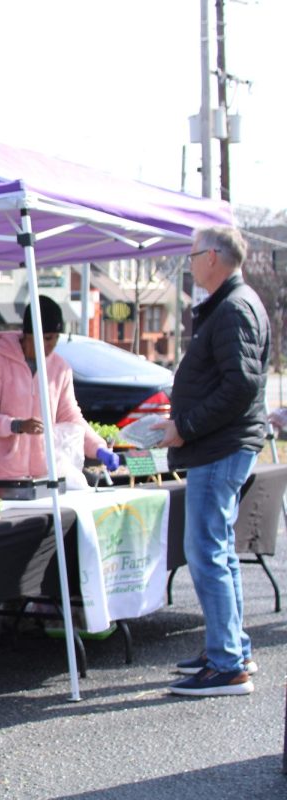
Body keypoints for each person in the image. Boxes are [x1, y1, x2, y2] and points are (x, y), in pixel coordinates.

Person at [152, 226, 270, 697]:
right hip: (221, 445)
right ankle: (230, 648)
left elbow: (239, 387)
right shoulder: (234, 304)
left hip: (219, 447)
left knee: (207, 552)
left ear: (214, 258)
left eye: (194, 254)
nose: (190, 263)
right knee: (216, 550)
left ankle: (226, 663)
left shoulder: (234, 307)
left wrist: (187, 425)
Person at [0, 295, 119, 483]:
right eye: (47, 338)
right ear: (29, 335)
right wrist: (16, 425)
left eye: (56, 338)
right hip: (1, 473)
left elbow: (71, 417)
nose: (52, 344)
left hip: (47, 472)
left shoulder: (60, 367)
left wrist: (98, 448)